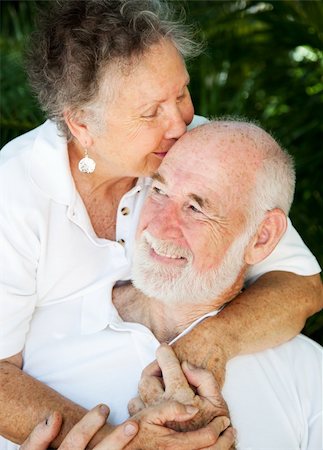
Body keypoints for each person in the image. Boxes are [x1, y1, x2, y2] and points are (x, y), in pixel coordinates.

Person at [0, 0, 321, 447]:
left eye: (182, 93)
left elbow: (302, 285)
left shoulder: (194, 150)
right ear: (82, 125)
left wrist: (213, 341)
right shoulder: (14, 193)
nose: (181, 123)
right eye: (151, 112)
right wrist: (122, 441)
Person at [23, 120, 322, 449]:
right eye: (158, 191)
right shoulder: (31, 343)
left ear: (261, 237)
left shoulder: (310, 376)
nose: (159, 228)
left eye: (195, 208)